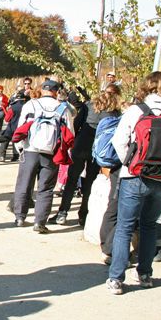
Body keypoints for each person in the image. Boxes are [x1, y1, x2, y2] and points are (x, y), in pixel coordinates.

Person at [106, 71, 161, 295]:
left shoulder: (135, 111)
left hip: (135, 176)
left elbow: (119, 141)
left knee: (125, 227)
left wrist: (130, 163)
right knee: (150, 226)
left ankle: (116, 278)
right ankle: (145, 274)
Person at [49, 84, 122, 226]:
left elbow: (76, 125)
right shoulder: (115, 112)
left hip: (81, 145)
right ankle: (83, 214)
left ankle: (62, 212)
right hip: (99, 150)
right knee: (89, 182)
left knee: (71, 180)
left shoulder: (89, 105)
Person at [11, 79, 75, 233]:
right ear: (56, 91)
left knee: (24, 184)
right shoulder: (62, 108)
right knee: (46, 188)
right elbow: (70, 134)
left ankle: (20, 217)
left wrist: (20, 148)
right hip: (51, 153)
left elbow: (20, 127)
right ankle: (39, 222)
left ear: (43, 90)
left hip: (30, 149)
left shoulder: (31, 104)